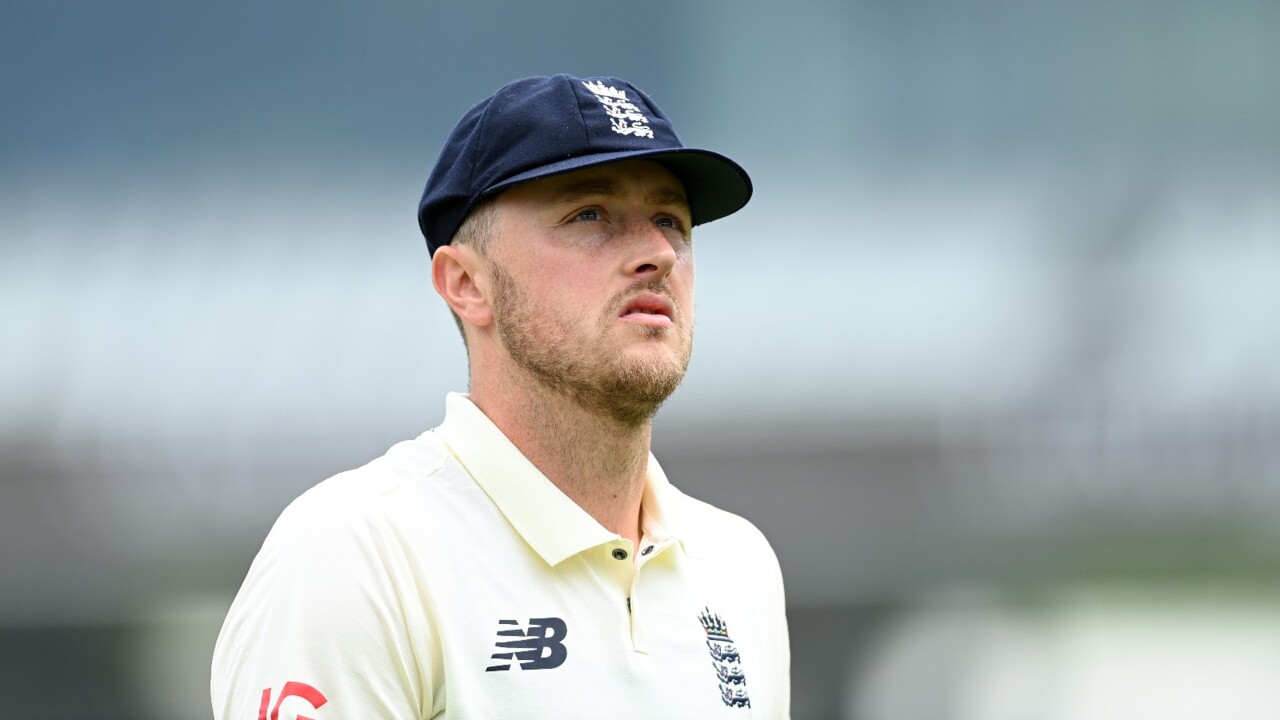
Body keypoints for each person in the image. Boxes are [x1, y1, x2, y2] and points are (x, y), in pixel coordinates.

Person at [211, 74, 790, 719]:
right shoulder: (358, 553)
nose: (657, 251)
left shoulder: (738, 564)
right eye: (589, 214)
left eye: (669, 219)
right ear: (465, 283)